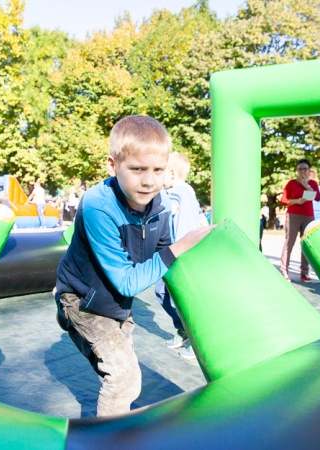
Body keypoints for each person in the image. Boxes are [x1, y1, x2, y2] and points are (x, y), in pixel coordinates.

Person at [54, 115, 214, 417]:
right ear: (113, 166)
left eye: (158, 170)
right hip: (81, 301)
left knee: (129, 379)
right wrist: (181, 246)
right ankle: (107, 441)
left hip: (116, 305)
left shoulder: (161, 203)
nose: (149, 180)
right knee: (123, 379)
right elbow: (128, 281)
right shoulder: (97, 205)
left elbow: (164, 251)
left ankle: (115, 426)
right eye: (137, 169)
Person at [155, 152, 208, 361]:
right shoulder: (188, 192)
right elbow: (200, 219)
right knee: (162, 291)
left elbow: (176, 212)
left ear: (173, 173)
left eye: (160, 172)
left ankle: (197, 340)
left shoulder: (177, 192)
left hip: (180, 254)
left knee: (181, 298)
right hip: (177, 253)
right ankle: (184, 329)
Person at [279, 158, 320, 282]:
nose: (302, 171)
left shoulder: (312, 184)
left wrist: (306, 186)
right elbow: (283, 200)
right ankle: (284, 271)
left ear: (309, 170)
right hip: (293, 215)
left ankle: (304, 273)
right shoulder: (292, 183)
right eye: (300, 169)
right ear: (296, 171)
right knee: (289, 242)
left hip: (308, 215)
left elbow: (317, 197)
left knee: (306, 244)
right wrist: (297, 201)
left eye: (305, 169)